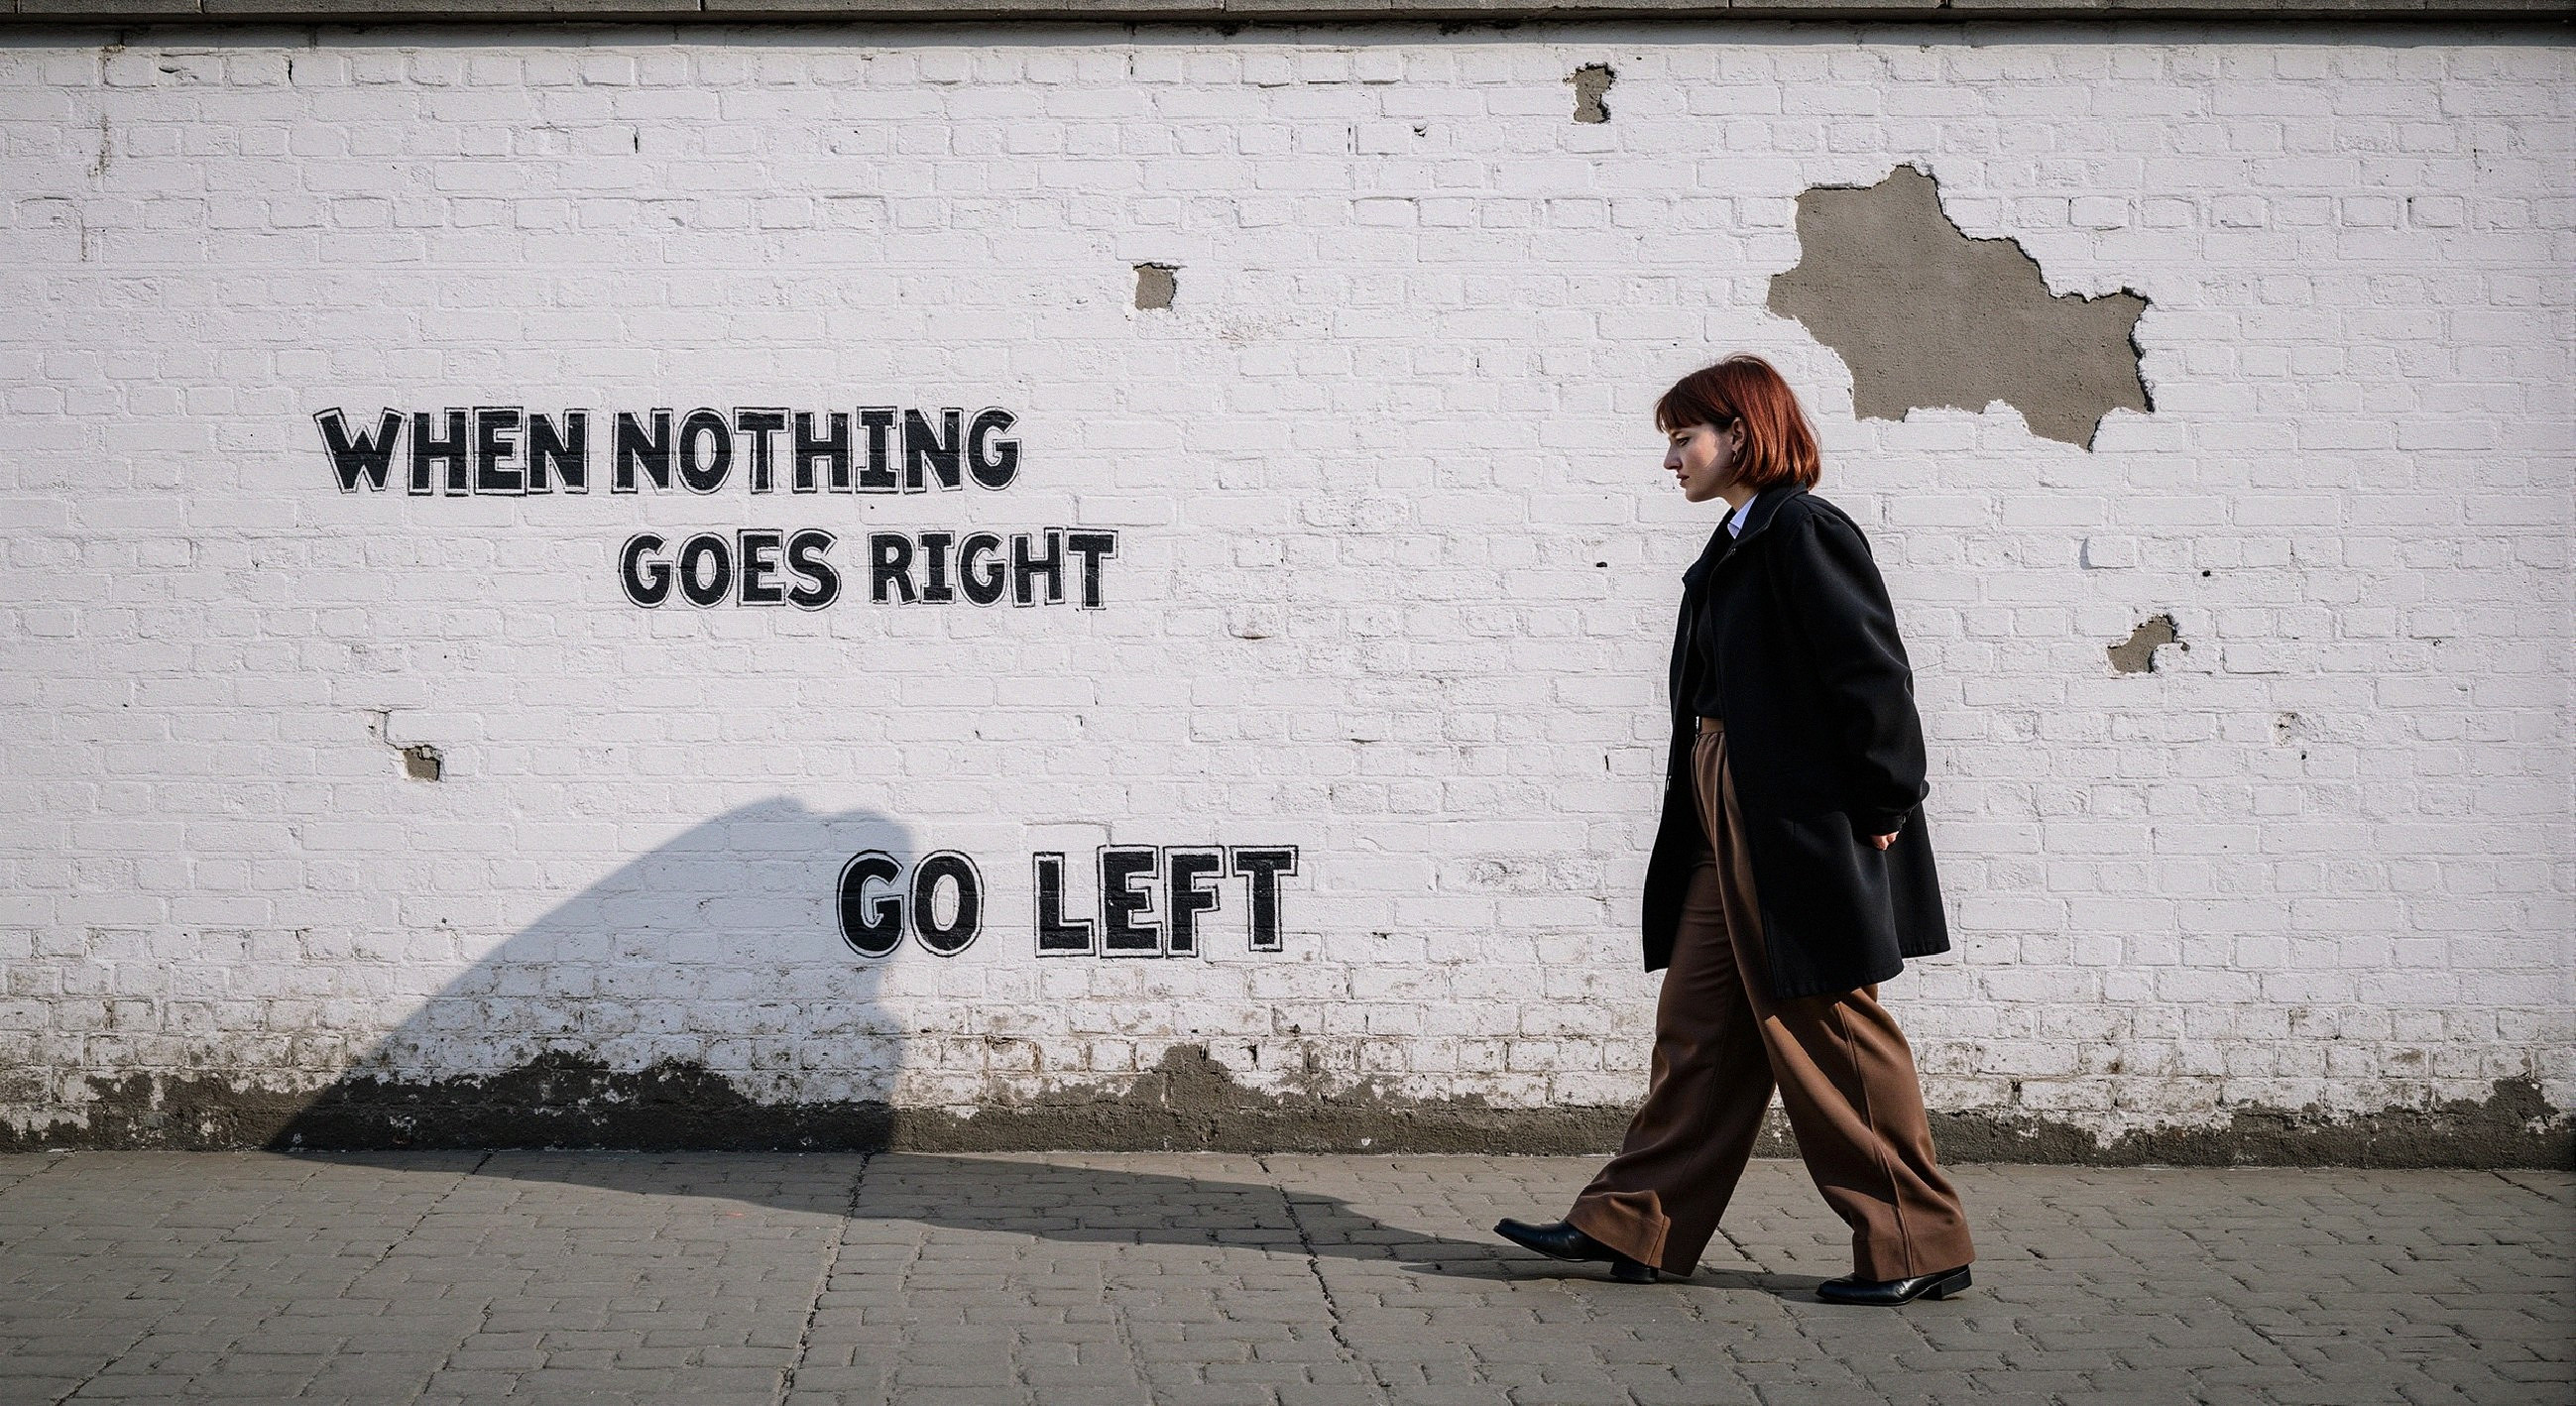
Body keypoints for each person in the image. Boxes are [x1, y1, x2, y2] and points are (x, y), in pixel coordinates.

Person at [1494, 354, 1976, 1307]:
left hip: (1797, 813)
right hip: (1729, 800)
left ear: (1742, 437)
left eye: (1685, 438)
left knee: (1827, 1017)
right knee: (1702, 1022)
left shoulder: (1803, 530)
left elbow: (1874, 677)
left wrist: (1884, 803)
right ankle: (1635, 1224)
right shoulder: (1739, 537)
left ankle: (1919, 1239)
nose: (1671, 459)